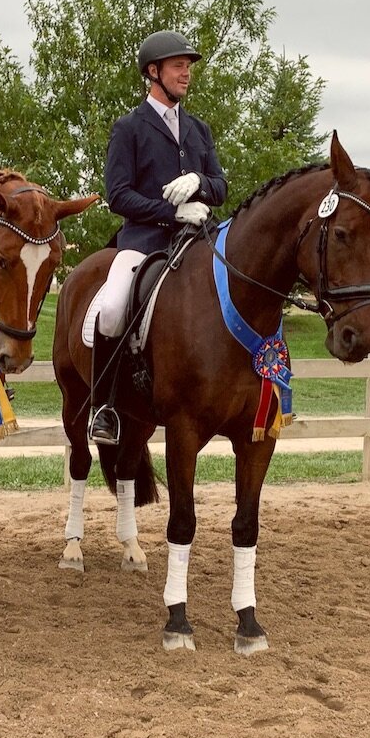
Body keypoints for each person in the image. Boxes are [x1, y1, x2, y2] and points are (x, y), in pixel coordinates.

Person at [88, 31, 228, 445]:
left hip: (198, 242)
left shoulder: (199, 130)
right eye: (178, 66)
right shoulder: (129, 128)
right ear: (153, 72)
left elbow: (221, 186)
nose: (187, 74)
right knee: (111, 310)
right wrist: (170, 210)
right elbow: (118, 195)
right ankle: (104, 407)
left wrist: (198, 179)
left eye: (188, 66)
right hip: (144, 241)